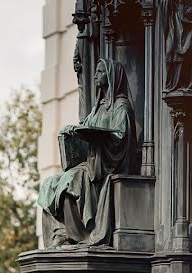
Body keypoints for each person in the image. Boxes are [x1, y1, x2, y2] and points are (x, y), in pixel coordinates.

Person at [37, 58, 138, 247]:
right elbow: (85, 127)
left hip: (106, 166)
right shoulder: (98, 107)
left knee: (71, 182)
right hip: (92, 163)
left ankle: (79, 235)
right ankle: (59, 233)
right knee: (49, 184)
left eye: (100, 72)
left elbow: (121, 140)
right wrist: (72, 131)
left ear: (111, 76)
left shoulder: (121, 108)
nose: (95, 75)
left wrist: (99, 138)